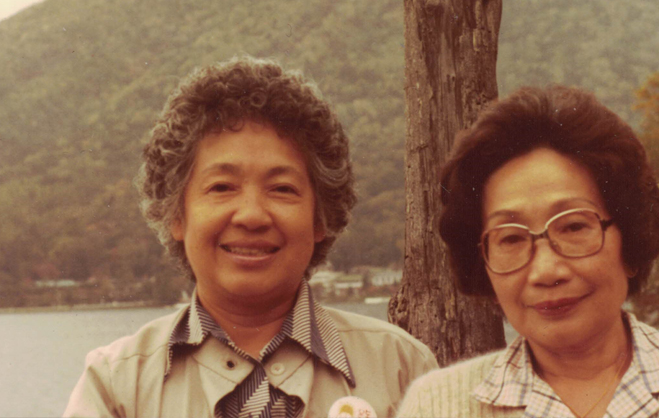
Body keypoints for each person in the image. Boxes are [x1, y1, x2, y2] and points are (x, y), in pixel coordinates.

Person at [64, 56, 437, 418]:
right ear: (176, 214)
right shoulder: (116, 387)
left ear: (321, 216)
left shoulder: (402, 369)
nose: (252, 215)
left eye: (282, 189)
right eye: (222, 186)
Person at [397, 86, 659, 418]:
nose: (546, 271)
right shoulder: (436, 406)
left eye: (574, 226)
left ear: (630, 240)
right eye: (511, 238)